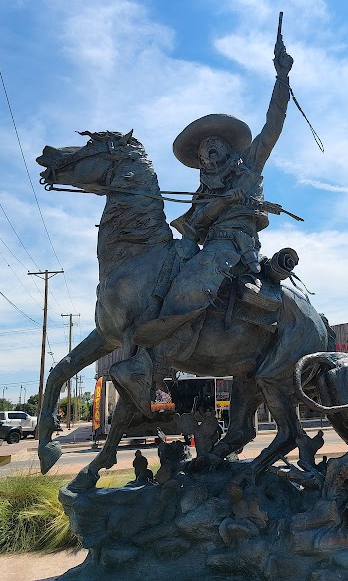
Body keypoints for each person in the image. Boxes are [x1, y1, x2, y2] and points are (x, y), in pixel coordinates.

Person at [115, 32, 295, 416]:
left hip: (232, 245)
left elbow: (273, 125)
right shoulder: (202, 189)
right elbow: (193, 227)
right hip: (203, 241)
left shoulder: (250, 167)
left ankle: (154, 363)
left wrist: (282, 79)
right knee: (162, 271)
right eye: (201, 149)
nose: (207, 151)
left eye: (213, 144)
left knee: (197, 277)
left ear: (229, 148)